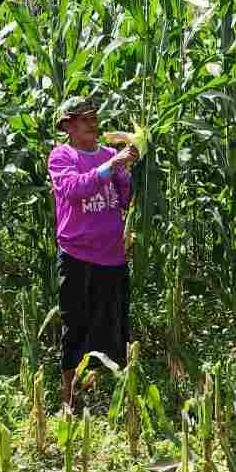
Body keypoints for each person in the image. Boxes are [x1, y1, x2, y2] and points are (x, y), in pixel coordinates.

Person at [48, 95, 140, 406]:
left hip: (112, 256)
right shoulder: (61, 156)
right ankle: (69, 398)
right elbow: (74, 190)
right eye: (85, 119)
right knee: (76, 327)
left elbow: (125, 199)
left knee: (114, 327)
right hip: (77, 255)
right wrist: (110, 166)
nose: (93, 123)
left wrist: (126, 174)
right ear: (68, 125)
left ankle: (117, 399)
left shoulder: (110, 154)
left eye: (94, 118)